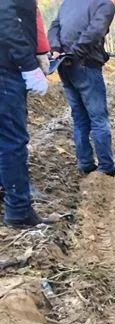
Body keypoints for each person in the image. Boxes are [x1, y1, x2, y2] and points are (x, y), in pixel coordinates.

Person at [48, 0, 115, 177]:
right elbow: (95, 31)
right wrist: (76, 53)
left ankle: (85, 163)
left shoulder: (69, 2)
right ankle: (106, 166)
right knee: (98, 118)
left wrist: (57, 49)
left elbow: (54, 27)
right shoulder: (105, 5)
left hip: (63, 65)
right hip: (85, 64)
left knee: (79, 116)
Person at [0, 0, 51, 228]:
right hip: (6, 68)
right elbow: (5, 18)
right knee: (12, 141)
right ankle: (19, 211)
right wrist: (27, 63)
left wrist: (40, 51)